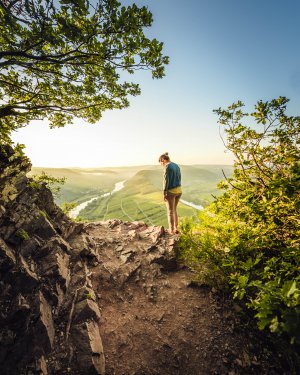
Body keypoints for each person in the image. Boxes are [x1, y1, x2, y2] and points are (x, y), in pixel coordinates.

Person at [158, 152, 182, 234]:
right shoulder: (176, 165)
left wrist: (164, 192)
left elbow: (166, 180)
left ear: (163, 160)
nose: (161, 164)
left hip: (171, 191)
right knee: (174, 210)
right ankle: (176, 228)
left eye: (161, 162)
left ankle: (171, 231)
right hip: (179, 190)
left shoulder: (167, 166)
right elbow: (179, 177)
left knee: (170, 211)